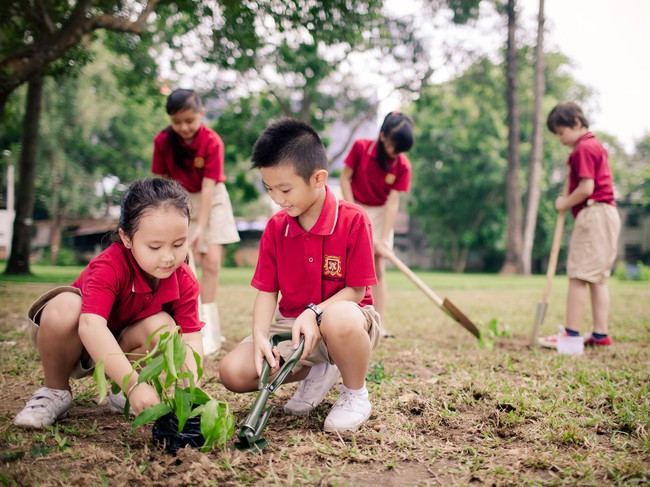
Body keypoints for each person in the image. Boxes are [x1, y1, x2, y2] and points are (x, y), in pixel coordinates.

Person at [219, 118, 382, 433]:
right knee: (233, 372)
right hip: (294, 331)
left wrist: (315, 311)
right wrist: (261, 338)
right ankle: (317, 370)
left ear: (318, 178)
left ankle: (355, 393)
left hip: (348, 321)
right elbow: (267, 291)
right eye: (269, 189)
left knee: (338, 320)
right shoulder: (276, 227)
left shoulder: (354, 220)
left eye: (285, 189)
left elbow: (356, 292)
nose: (277, 199)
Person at [14, 179, 204, 429]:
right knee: (65, 306)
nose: (168, 257)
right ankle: (55, 390)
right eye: (155, 246)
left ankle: (119, 393)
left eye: (179, 244)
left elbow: (190, 339)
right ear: (126, 238)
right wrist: (134, 384)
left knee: (165, 327)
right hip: (76, 344)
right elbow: (91, 327)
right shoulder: (110, 266)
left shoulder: (184, 279)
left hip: (125, 345)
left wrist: (192, 390)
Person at [151, 88, 240, 355]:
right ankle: (189, 326)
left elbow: (210, 186)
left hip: (211, 198)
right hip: (178, 198)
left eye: (190, 120)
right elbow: (160, 181)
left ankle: (212, 330)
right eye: (177, 122)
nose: (184, 127)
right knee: (184, 265)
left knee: (211, 262)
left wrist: (200, 227)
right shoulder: (163, 141)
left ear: (201, 113)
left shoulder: (212, 141)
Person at [538, 102, 621, 348]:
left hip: (593, 213)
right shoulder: (592, 146)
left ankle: (571, 335)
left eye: (562, 133)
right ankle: (600, 334)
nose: (561, 139)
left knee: (578, 275)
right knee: (597, 278)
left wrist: (564, 202)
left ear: (576, 123)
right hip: (607, 214)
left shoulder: (583, 148)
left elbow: (586, 188)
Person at [340, 111, 414, 337]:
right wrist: (354, 213)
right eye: (394, 145)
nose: (396, 152)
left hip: (381, 214)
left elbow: (393, 203)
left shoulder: (402, 165)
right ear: (382, 136)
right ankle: (342, 316)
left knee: (378, 264)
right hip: (354, 203)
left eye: (401, 148)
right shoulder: (361, 148)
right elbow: (345, 178)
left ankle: (378, 324)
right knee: (347, 262)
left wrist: (382, 239)